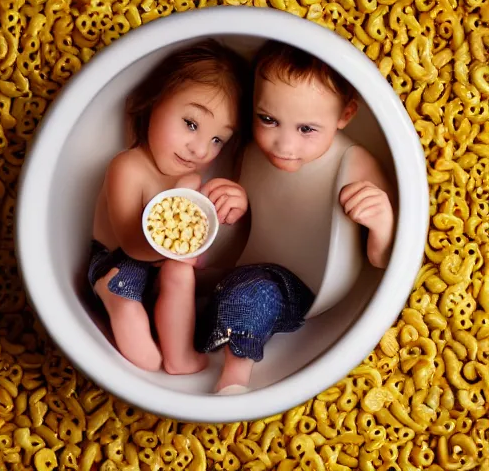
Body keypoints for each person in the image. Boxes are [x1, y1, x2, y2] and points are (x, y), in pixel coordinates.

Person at [197, 40, 396, 394]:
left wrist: (382, 224)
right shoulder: (252, 152)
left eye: (306, 129)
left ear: (345, 116)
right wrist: (236, 205)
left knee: (255, 292)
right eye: (268, 120)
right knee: (183, 271)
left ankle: (233, 379)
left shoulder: (354, 162)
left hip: (305, 287)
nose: (283, 145)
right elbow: (255, 225)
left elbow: (382, 261)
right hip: (247, 267)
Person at [88, 40, 249, 374]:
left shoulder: (190, 177)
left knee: (180, 272)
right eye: (191, 124)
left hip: (157, 269)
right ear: (153, 103)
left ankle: (179, 355)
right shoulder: (127, 167)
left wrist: (231, 205)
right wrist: (174, 251)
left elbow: (196, 228)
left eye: (218, 139)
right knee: (144, 352)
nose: (200, 148)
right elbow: (133, 243)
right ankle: (114, 298)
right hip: (116, 264)